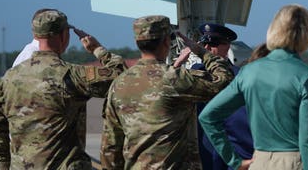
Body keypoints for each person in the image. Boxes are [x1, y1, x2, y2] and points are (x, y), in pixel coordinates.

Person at [0, 8, 126, 170]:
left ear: (36, 34)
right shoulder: (72, 74)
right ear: (63, 35)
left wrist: (4, 166)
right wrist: (97, 49)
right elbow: (122, 78)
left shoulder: (9, 78)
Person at [199, 4, 308, 170]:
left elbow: (208, 116)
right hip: (294, 162)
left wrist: (234, 160)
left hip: (258, 161)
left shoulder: (249, 72)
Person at [100, 15, 234, 170]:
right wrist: (201, 52)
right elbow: (224, 82)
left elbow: (110, 146)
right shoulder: (174, 78)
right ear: (166, 42)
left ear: (137, 43)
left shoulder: (119, 84)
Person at [174, 23, 254, 170]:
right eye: (205, 44)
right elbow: (166, 87)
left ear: (228, 46)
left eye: (215, 44)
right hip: (204, 145)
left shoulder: (241, 76)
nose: (208, 48)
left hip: (234, 147)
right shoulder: (192, 74)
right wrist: (178, 63)